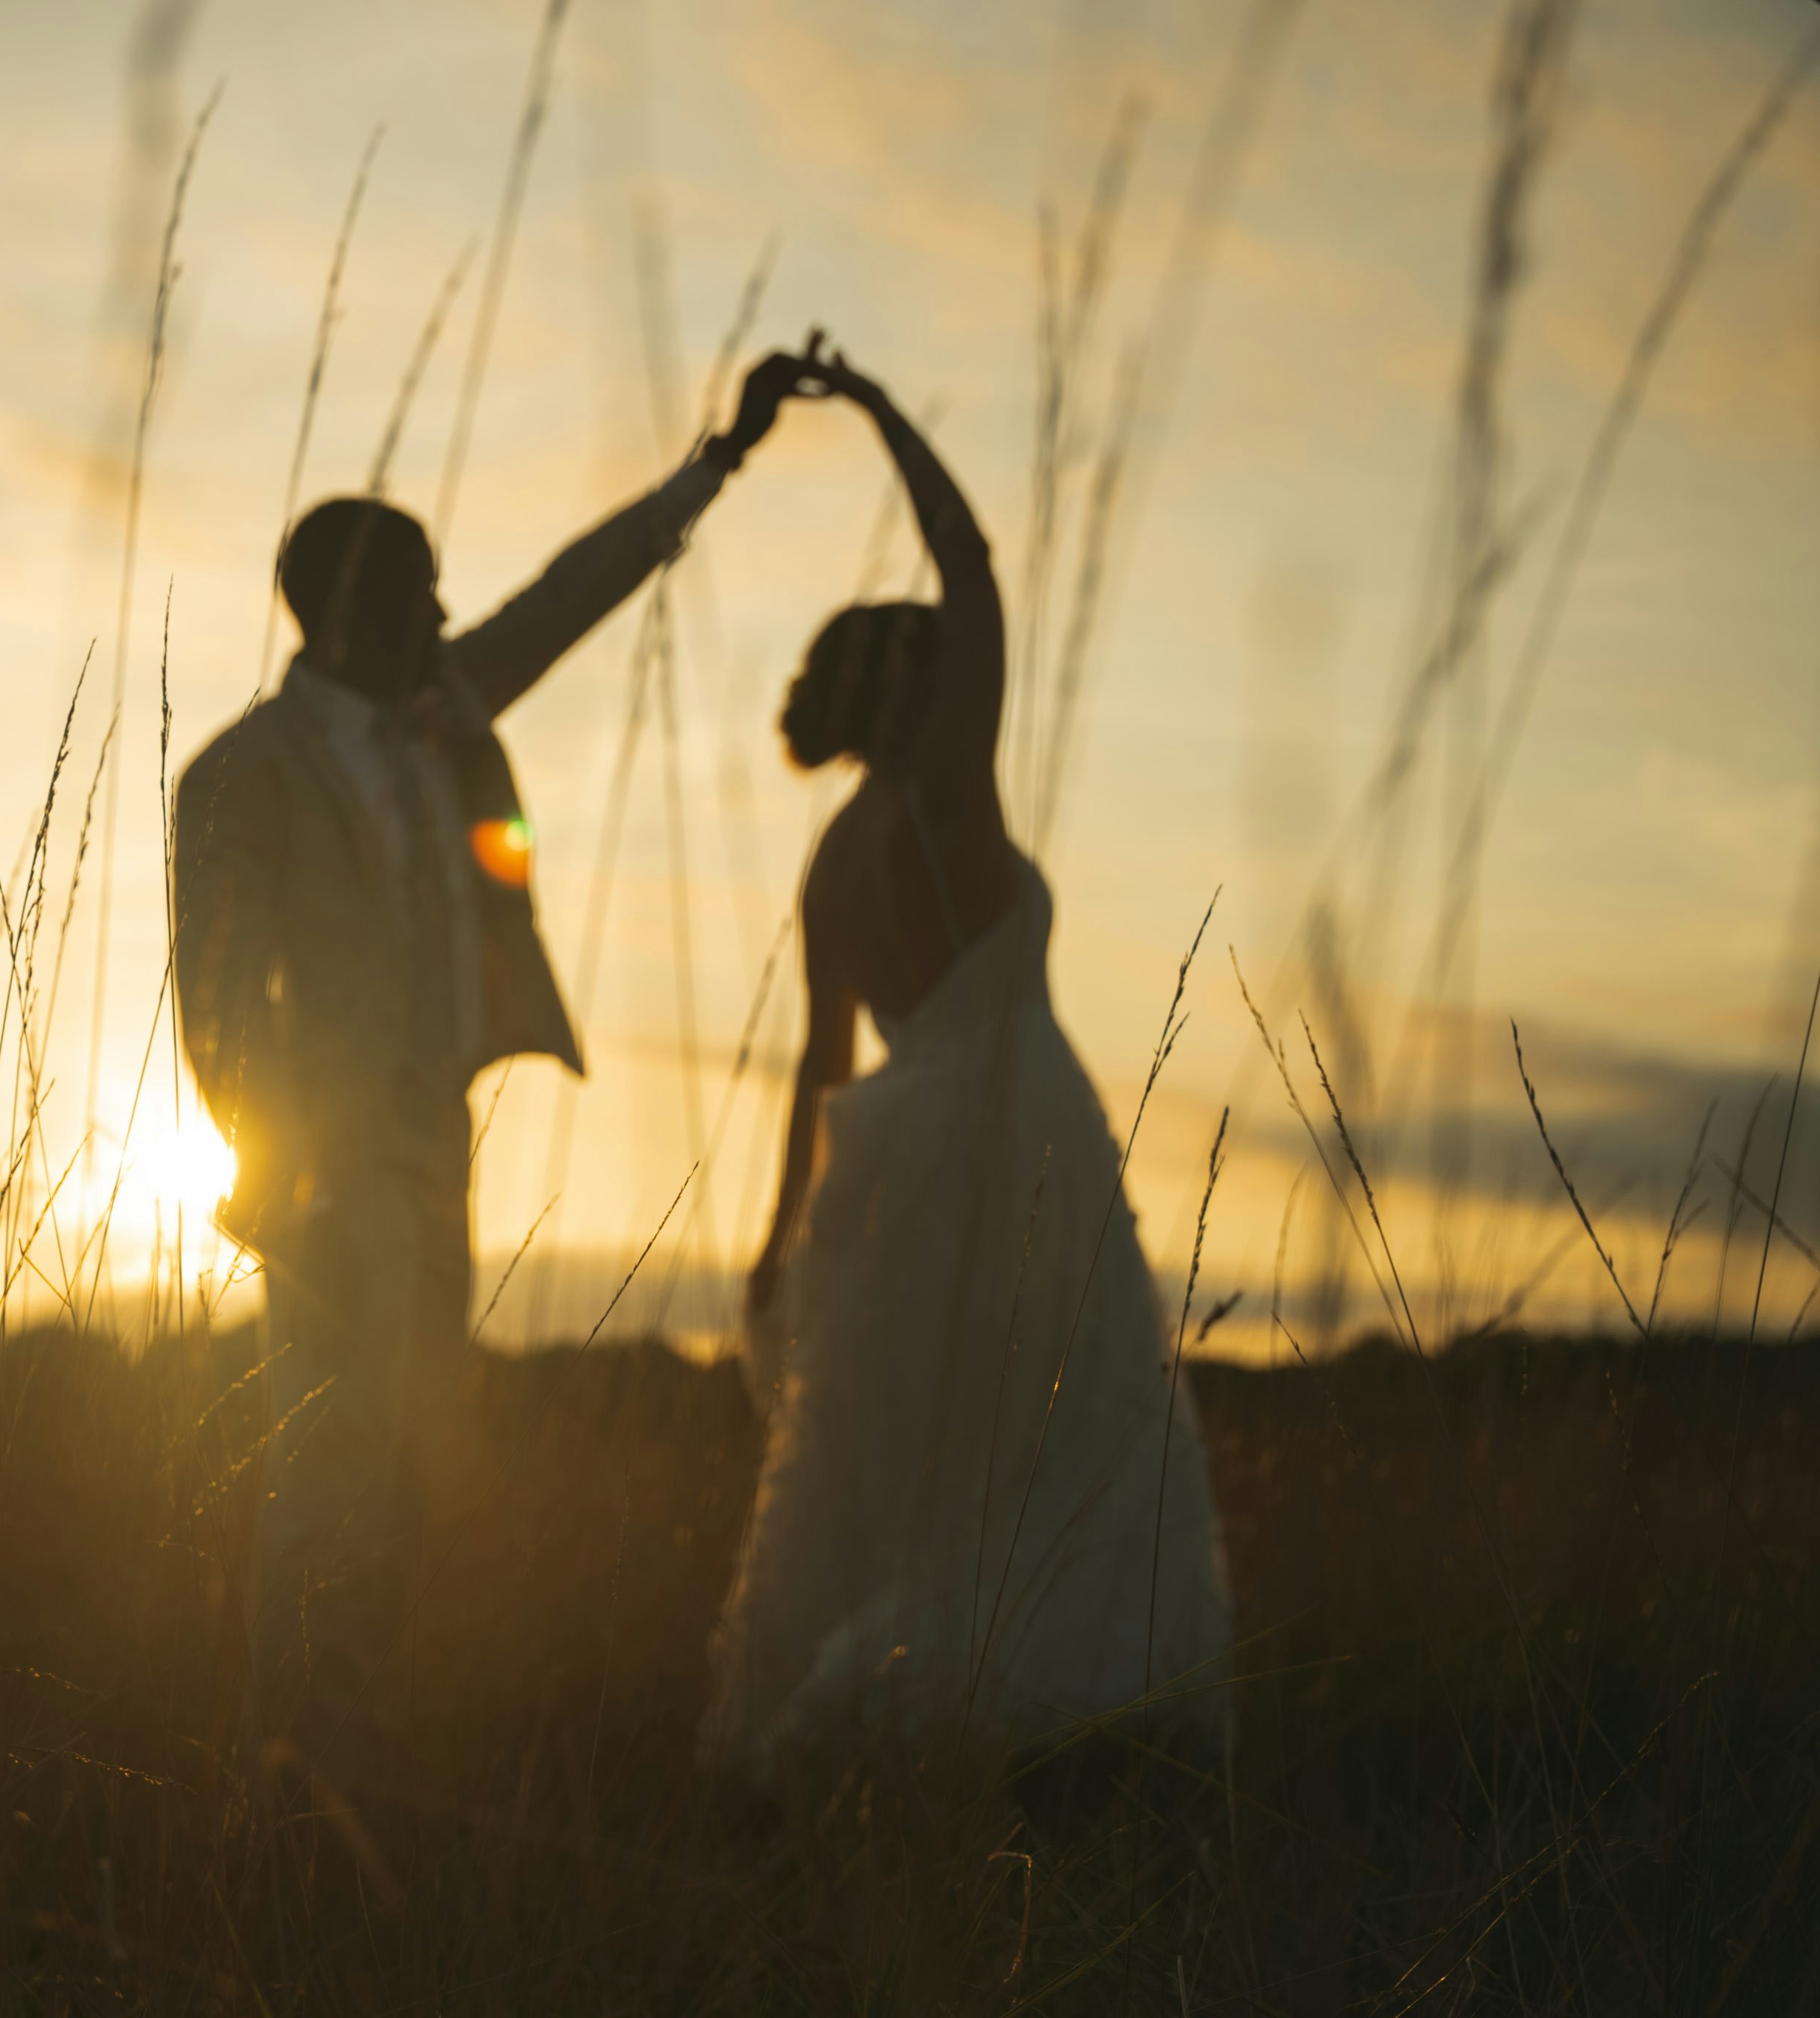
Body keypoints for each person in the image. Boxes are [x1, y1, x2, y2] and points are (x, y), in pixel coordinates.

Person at [176, 349, 818, 1803]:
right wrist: (284, 1178)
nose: (448, 615)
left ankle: (353, 1742)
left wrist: (718, 458)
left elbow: (570, 595)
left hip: (432, 1144)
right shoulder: (240, 773)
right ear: (347, 607)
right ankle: (273, 1774)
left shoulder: (445, 714)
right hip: (325, 1175)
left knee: (406, 1459)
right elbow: (213, 1006)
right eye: (420, 591)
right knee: (316, 1473)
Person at [701, 331, 1230, 1789]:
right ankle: (1016, 1728)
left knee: (909, 1467)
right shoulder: (946, 798)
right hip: (1011, 1137)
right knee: (1063, 1442)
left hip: (881, 1165)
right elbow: (976, 562)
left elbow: (816, 1070)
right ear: (919, 696)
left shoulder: (828, 862)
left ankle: (874, 1735)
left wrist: (772, 1246)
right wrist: (875, 403)